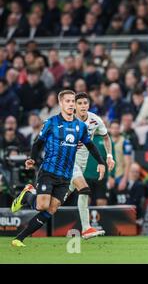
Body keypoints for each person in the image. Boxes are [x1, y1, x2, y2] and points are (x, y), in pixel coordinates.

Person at [10, 90, 106, 247]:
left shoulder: (80, 126)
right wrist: (31, 158)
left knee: (51, 209)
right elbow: (37, 143)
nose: (70, 104)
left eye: (72, 101)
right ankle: (28, 193)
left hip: (65, 176)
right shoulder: (51, 122)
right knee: (41, 205)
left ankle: (19, 239)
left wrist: (101, 162)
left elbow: (91, 146)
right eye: (67, 101)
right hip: (48, 171)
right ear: (61, 104)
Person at [66, 92, 115, 239]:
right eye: (79, 103)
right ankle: (86, 228)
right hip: (68, 161)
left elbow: (106, 138)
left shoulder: (95, 120)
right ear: (74, 105)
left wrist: (109, 156)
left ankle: (30, 196)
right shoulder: (67, 120)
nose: (82, 106)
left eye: (85, 103)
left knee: (58, 199)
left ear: (89, 105)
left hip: (82, 163)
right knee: (85, 190)